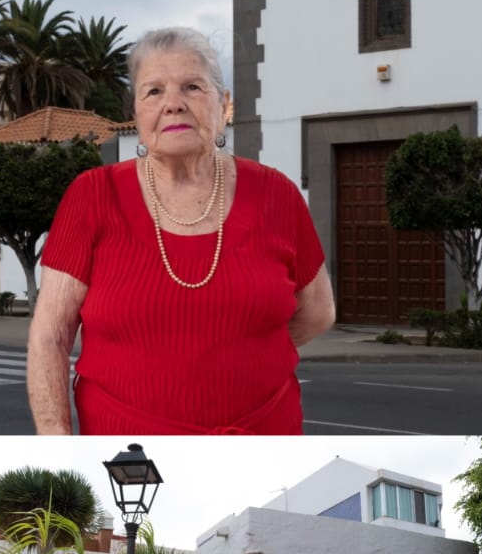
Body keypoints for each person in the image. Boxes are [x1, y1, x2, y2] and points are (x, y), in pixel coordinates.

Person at [28, 27, 336, 434]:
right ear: (137, 114)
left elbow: (317, 313)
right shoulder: (93, 197)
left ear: (224, 105)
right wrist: (59, 448)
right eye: (153, 92)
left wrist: (238, 359)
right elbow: (49, 336)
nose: (173, 105)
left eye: (192, 87)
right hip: (127, 453)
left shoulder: (275, 193)